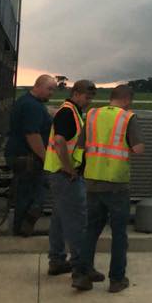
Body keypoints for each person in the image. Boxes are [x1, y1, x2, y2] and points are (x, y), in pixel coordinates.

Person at [71, 84, 147, 294]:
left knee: (91, 230)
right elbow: (139, 149)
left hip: (93, 182)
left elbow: (80, 146)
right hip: (117, 184)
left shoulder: (93, 115)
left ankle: (82, 275)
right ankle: (117, 279)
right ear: (127, 100)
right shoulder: (127, 117)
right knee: (119, 234)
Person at [42, 79, 96, 277]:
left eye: (91, 98)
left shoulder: (73, 112)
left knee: (59, 219)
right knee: (77, 221)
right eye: (86, 97)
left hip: (59, 175)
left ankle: (56, 260)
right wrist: (69, 169)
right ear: (75, 94)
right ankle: (81, 268)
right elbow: (59, 142)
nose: (88, 101)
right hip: (66, 177)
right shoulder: (68, 113)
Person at [3, 74, 56, 238]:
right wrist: (45, 158)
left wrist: (50, 114)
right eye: (49, 89)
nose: (51, 93)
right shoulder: (32, 107)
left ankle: (23, 228)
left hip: (22, 156)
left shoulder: (28, 102)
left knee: (29, 192)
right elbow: (32, 134)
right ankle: (22, 229)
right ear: (37, 86)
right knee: (31, 193)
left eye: (53, 90)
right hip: (27, 158)